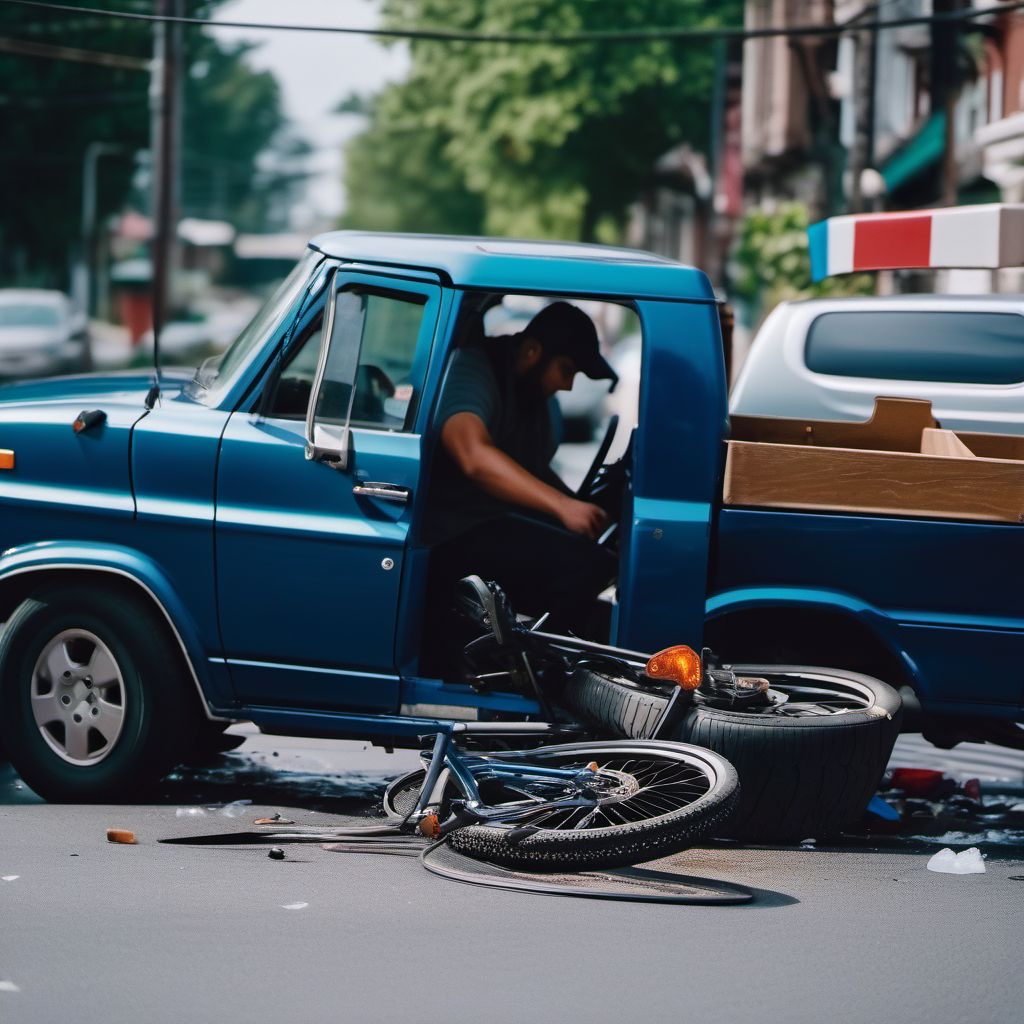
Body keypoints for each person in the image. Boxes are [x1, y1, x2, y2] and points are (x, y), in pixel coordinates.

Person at [422, 301, 619, 664]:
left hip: (491, 525)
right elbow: (472, 455)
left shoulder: (538, 402)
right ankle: (528, 670)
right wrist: (563, 507)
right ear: (532, 351)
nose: (568, 384)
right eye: (565, 369)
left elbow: (531, 473)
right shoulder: (474, 369)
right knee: (579, 568)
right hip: (447, 534)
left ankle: (545, 666)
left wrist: (578, 507)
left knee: (598, 563)